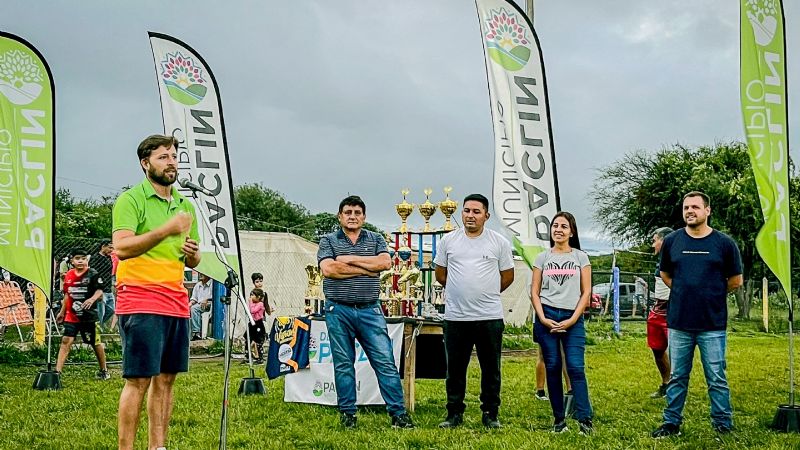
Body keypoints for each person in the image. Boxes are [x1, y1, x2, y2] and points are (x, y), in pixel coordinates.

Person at [113, 134, 201, 450]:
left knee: (166, 380)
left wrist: (192, 253)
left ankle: (158, 446)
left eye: (174, 156)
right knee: (138, 380)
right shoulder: (131, 200)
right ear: (145, 163)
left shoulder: (184, 205)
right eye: (163, 157)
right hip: (140, 298)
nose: (171, 161)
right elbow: (122, 248)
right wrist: (167, 229)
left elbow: (195, 257)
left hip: (176, 300)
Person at [317, 195, 414, 429]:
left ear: (364, 217)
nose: (352, 216)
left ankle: (398, 413)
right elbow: (329, 269)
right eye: (348, 212)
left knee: (385, 362)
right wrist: (366, 269)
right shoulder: (327, 240)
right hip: (338, 310)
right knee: (343, 364)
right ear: (340, 216)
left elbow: (383, 264)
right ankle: (348, 414)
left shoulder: (376, 239)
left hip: (370, 310)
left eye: (357, 212)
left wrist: (348, 259)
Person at [652, 192, 742, 438]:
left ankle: (722, 424)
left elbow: (736, 280)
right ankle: (671, 423)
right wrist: (685, 291)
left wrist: (710, 294)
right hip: (680, 322)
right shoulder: (672, 241)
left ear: (707, 211)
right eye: (686, 207)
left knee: (716, 377)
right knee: (678, 376)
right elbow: (665, 274)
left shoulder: (724, 243)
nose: (690, 211)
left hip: (712, 324)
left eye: (695, 207)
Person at [434, 193, 514, 429]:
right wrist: (462, 291)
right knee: (455, 369)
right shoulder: (449, 241)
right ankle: (454, 413)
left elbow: (508, 276)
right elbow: (441, 274)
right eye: (467, 211)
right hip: (456, 317)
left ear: (486, 216)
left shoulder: (499, 242)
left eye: (476, 212)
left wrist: (485, 292)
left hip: (489, 317)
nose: (470, 215)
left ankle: (490, 413)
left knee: (491, 369)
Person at [531, 211, 594, 434]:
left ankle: (585, 420)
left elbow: (586, 292)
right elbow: (535, 291)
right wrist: (542, 317)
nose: (558, 229)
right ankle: (559, 421)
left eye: (564, 226)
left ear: (572, 231)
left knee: (576, 367)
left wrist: (572, 319)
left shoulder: (580, 257)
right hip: (547, 316)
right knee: (553, 366)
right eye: (555, 225)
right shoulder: (542, 258)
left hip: (572, 318)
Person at [55, 248, 110, 380]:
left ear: (87, 260)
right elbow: (67, 295)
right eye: (77, 259)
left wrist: (91, 299)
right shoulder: (68, 275)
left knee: (95, 343)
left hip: (89, 316)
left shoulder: (93, 274)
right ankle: (57, 372)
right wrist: (62, 312)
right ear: (72, 261)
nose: (80, 261)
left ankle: (104, 370)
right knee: (66, 340)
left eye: (83, 258)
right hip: (72, 315)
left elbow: (100, 292)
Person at [647, 227, 673, 399]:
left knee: (678, 353)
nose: (653, 244)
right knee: (657, 349)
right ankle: (666, 384)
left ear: (664, 241)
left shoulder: (678, 260)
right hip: (658, 310)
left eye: (655, 240)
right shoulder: (660, 262)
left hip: (673, 310)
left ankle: (677, 390)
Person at [91, 239, 115, 330]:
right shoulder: (95, 258)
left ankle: (98, 325)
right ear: (103, 246)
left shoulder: (108, 258)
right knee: (101, 311)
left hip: (108, 288)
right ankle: (98, 329)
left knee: (111, 309)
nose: (111, 250)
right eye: (110, 247)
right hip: (100, 289)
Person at [189, 273, 213, 341]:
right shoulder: (198, 285)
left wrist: (207, 299)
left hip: (210, 304)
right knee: (192, 307)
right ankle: (194, 333)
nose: (200, 275)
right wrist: (189, 304)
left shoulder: (212, 284)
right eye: (200, 273)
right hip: (200, 305)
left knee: (194, 308)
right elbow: (194, 298)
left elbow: (216, 297)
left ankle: (196, 332)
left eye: (203, 273)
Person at [248, 288, 267, 363]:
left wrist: (250, 302)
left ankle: (260, 357)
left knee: (258, 340)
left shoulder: (260, 304)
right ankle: (252, 355)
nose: (251, 297)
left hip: (258, 323)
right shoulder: (255, 303)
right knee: (250, 338)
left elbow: (252, 311)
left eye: (253, 295)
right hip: (253, 323)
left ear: (258, 297)